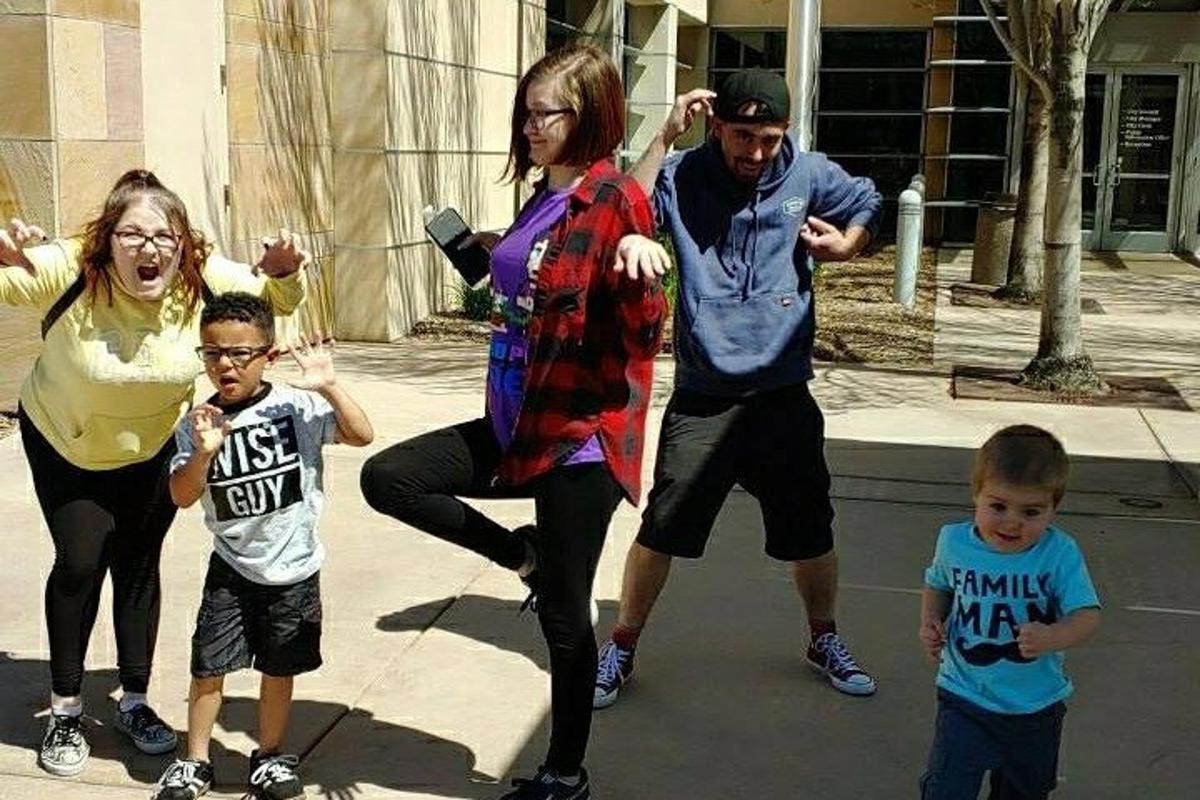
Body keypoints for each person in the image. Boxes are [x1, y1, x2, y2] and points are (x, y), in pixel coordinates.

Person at [359, 43, 665, 800]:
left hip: (577, 438)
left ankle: (563, 776)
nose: (529, 126)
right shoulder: (543, 194)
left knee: (566, 619)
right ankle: (520, 556)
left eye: (545, 114)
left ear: (588, 114)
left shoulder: (615, 200)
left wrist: (642, 266)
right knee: (390, 477)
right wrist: (494, 255)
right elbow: (530, 293)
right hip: (515, 422)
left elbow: (639, 330)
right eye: (525, 113)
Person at [0, 170, 310, 777]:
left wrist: (282, 271)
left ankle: (136, 701)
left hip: (152, 444)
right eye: (132, 233)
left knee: (139, 563)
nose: (151, 248)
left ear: (184, 243)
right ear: (107, 240)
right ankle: (65, 707)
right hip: (69, 441)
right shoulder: (71, 267)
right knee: (82, 560)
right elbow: (12, 283)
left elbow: (273, 303)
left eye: (165, 235)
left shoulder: (201, 276)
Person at [595, 68, 884, 708]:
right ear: (716, 124)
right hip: (704, 396)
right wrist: (664, 136)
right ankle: (620, 643)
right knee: (661, 529)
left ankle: (823, 637)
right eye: (743, 135)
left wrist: (849, 243)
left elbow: (866, 199)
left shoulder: (807, 175)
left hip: (782, 393)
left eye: (770, 138)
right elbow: (621, 214)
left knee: (811, 531)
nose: (755, 152)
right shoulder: (683, 174)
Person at [148, 292, 372, 800]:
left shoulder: (297, 406)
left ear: (268, 354)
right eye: (212, 353)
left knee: (279, 666)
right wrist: (203, 455)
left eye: (240, 353)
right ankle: (196, 760)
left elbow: (362, 435)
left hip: (293, 569)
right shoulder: (197, 421)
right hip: (230, 566)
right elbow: (182, 496)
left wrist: (332, 387)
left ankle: (268, 754)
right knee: (208, 667)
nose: (225, 364)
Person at [918, 425, 1101, 799]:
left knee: (1024, 791)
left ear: (1054, 508)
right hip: (964, 694)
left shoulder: (1058, 553)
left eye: (1031, 511)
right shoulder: (953, 541)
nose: (1012, 522)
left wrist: (1054, 636)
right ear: (976, 494)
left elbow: (1087, 615)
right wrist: (930, 621)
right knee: (947, 787)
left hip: (1036, 706)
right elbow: (939, 583)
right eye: (998, 506)